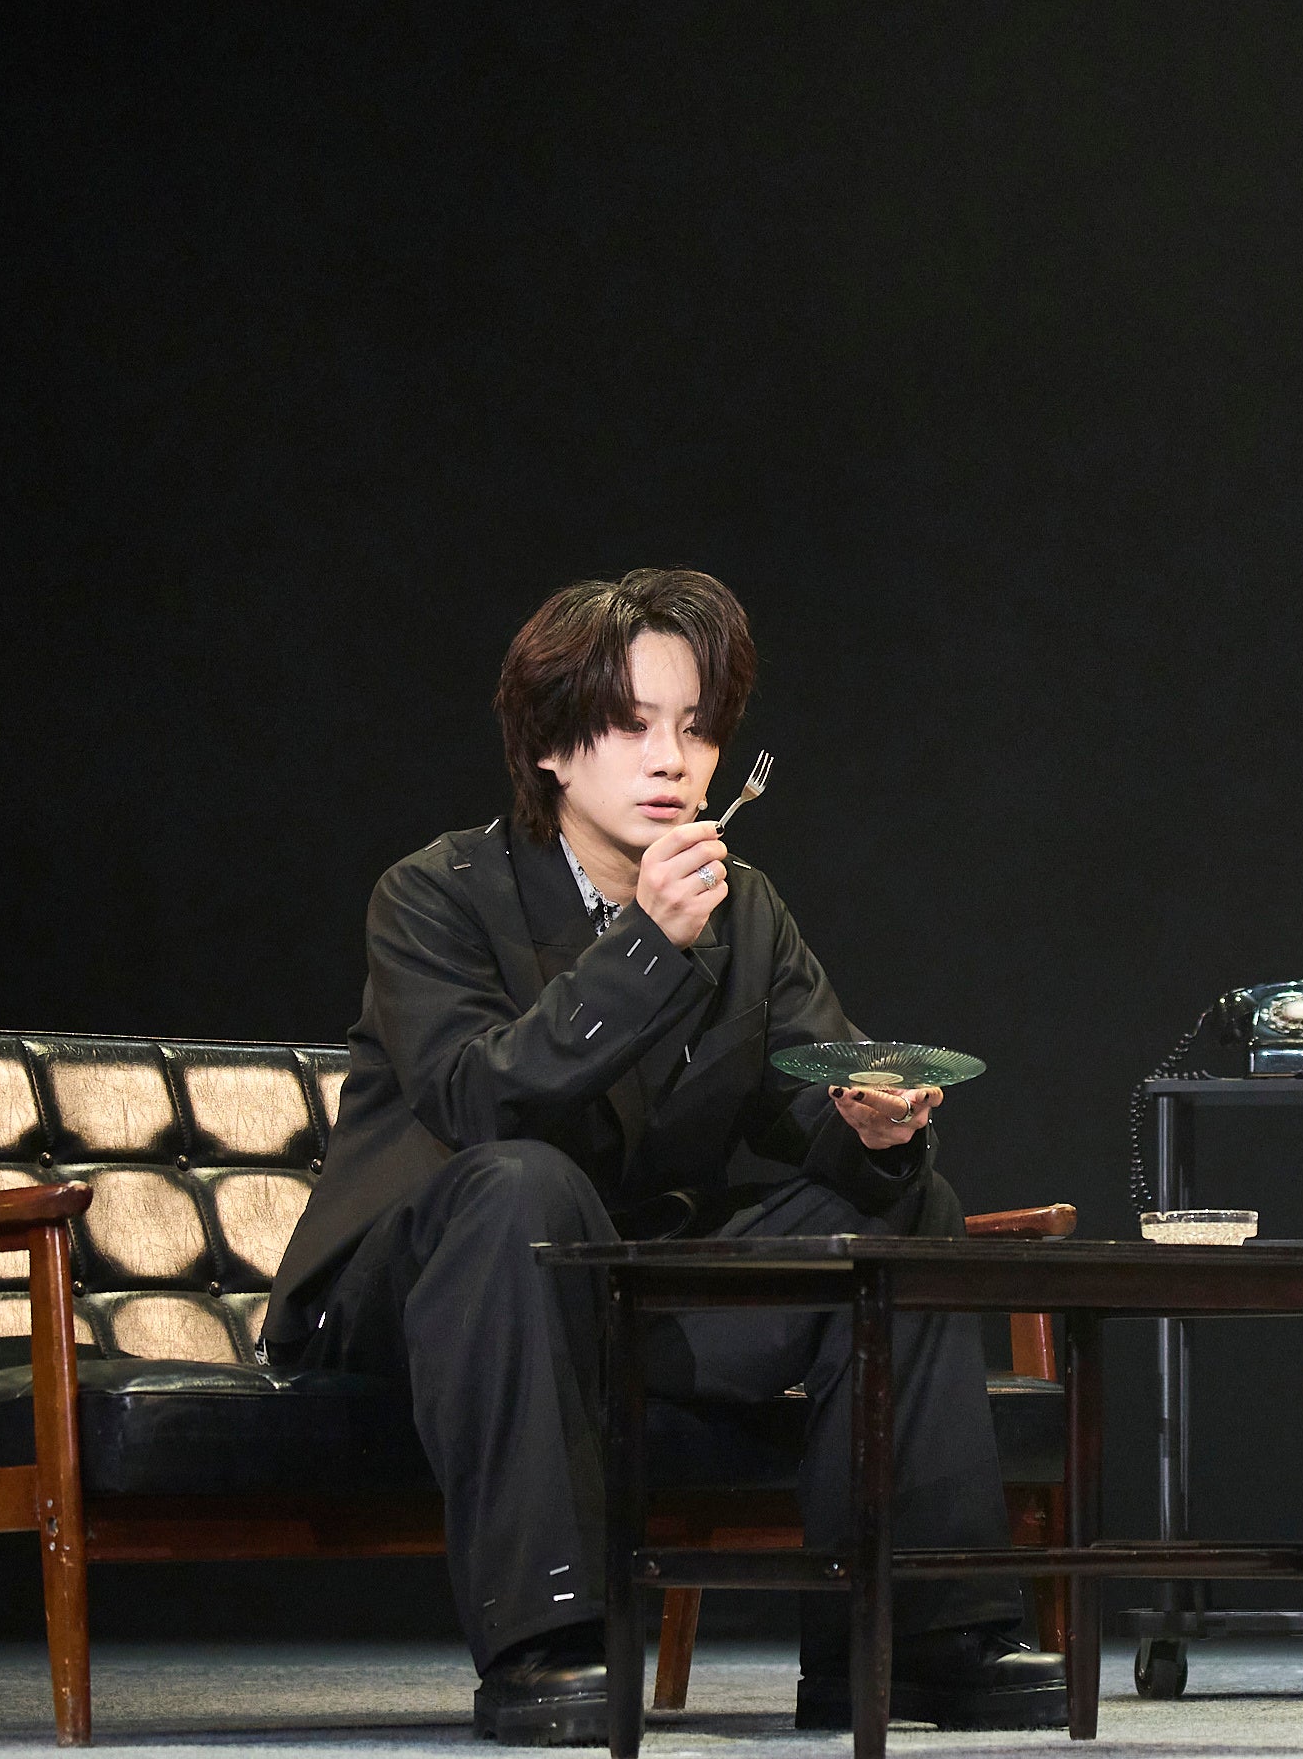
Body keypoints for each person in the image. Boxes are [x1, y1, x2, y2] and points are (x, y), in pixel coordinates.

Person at [262, 569, 1061, 1746]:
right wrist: (644, 945)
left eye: (695, 728)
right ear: (550, 746)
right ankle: (549, 1642)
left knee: (905, 1208)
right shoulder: (438, 893)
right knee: (522, 1184)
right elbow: (478, 1097)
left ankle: (915, 1635)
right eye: (632, 725)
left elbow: (809, 1090)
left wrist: (872, 1124)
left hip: (616, 1285)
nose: (672, 760)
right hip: (431, 1286)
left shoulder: (745, 910)